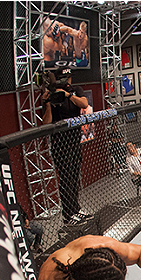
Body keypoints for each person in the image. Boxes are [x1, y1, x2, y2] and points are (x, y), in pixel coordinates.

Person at [42, 67, 93, 225]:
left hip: (74, 140)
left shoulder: (75, 90)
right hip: (59, 142)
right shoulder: (51, 94)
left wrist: (68, 95)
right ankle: (68, 214)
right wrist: (49, 102)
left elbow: (84, 104)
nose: (68, 81)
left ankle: (76, 209)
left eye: (68, 78)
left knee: (75, 176)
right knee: (66, 178)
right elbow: (46, 123)